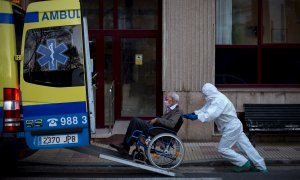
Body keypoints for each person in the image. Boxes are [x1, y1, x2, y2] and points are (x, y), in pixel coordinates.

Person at [182, 83, 268, 173]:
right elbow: (206, 109)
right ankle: (261, 167)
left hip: (231, 127)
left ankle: (243, 162)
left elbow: (211, 114)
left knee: (223, 149)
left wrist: (197, 117)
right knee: (247, 147)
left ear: (209, 93)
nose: (204, 96)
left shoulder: (219, 100)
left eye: (205, 94)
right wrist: (195, 113)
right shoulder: (214, 98)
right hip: (234, 126)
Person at [110, 92, 184, 155]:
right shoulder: (170, 109)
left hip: (159, 131)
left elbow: (171, 124)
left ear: (173, 100)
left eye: (167, 99)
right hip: (157, 129)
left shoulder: (178, 111)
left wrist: (157, 119)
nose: (165, 101)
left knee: (135, 121)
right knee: (135, 122)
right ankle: (125, 146)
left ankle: (125, 146)